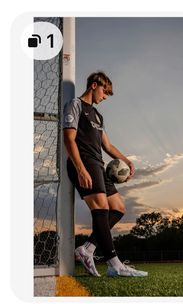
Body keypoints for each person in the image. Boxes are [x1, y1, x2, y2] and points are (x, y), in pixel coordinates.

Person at [63, 71, 148, 277]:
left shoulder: (98, 116)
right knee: (101, 208)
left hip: (99, 165)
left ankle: (88, 249)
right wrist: (81, 168)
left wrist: (127, 160)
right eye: (104, 92)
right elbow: (69, 139)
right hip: (84, 162)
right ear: (94, 85)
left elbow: (107, 145)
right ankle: (115, 265)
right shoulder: (75, 105)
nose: (105, 97)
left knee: (118, 208)